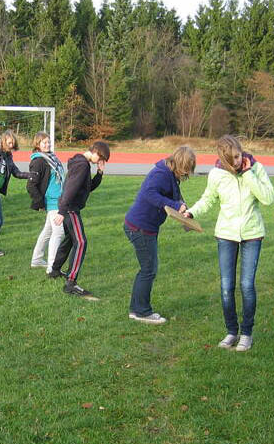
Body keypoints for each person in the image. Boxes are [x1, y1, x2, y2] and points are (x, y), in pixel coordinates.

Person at [186, 135, 274, 351]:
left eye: (237, 156)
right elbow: (208, 199)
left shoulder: (256, 168)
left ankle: (246, 333)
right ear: (222, 159)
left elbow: (268, 198)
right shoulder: (216, 174)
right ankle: (231, 331)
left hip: (252, 234)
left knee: (247, 285)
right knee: (227, 286)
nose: (235, 161)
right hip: (226, 235)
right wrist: (190, 213)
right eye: (230, 159)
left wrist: (247, 174)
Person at [124, 146, 196, 324]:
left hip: (146, 227)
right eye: (185, 169)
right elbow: (149, 193)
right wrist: (172, 204)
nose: (186, 174)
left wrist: (184, 212)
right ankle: (142, 311)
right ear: (179, 164)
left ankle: (136, 309)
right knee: (149, 269)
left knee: (147, 269)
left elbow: (177, 196)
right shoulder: (161, 174)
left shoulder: (169, 174)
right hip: (140, 227)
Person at [51, 141, 110, 299]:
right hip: (70, 208)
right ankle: (71, 283)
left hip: (68, 206)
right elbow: (70, 188)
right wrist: (63, 211)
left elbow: (86, 187)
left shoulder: (80, 162)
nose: (100, 161)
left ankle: (55, 270)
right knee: (81, 242)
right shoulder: (83, 166)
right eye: (101, 158)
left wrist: (99, 173)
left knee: (70, 239)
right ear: (95, 152)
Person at [27, 131, 66, 273]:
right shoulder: (38, 161)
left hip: (59, 199)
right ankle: (52, 267)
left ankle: (37, 259)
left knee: (48, 231)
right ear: (37, 145)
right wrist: (40, 202)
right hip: (53, 201)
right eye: (44, 142)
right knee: (59, 233)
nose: (47, 144)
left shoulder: (51, 158)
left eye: (48, 142)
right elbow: (31, 185)